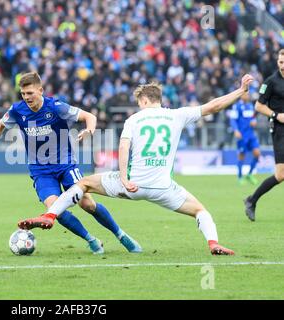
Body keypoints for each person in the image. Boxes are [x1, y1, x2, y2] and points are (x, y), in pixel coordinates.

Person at [19, 74, 255, 256]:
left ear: (144, 100)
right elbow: (214, 105)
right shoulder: (178, 115)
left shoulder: (134, 119)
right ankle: (213, 243)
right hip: (163, 188)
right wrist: (241, 90)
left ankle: (50, 215)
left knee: (83, 184)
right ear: (159, 100)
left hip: (131, 184)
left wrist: (123, 178)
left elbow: (124, 148)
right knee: (201, 210)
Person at [0, 72, 141, 254]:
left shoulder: (56, 107)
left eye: (30, 93)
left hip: (66, 166)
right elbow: (0, 124)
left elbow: (90, 117)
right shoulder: (17, 110)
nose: (26, 98)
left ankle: (121, 235)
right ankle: (91, 240)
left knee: (87, 204)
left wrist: (89, 130)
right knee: (55, 208)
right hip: (41, 171)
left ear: (40, 90)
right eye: (23, 94)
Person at [244, 49, 284, 221]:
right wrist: (276, 115)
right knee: (281, 174)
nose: (283, 65)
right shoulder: (270, 82)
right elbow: (258, 106)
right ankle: (252, 200)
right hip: (280, 130)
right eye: (281, 62)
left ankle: (251, 200)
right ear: (278, 62)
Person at [229, 92, 260, 185]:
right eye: (246, 94)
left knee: (257, 154)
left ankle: (249, 174)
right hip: (242, 135)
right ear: (241, 95)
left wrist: (254, 121)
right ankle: (239, 177)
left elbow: (252, 118)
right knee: (242, 155)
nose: (248, 96)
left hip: (251, 135)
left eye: (248, 94)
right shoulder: (237, 106)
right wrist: (236, 130)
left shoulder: (250, 106)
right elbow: (233, 119)